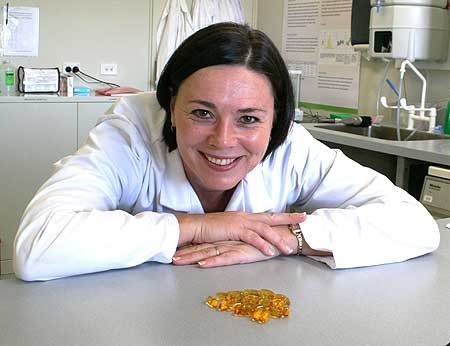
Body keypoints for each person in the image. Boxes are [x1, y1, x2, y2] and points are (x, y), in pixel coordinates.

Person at [13, 23, 439, 281]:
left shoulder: (291, 147)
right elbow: (38, 247)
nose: (223, 139)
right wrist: (201, 227)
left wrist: (288, 239)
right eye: (202, 112)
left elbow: (417, 225)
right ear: (171, 104)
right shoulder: (129, 132)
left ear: (276, 119)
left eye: (249, 119)